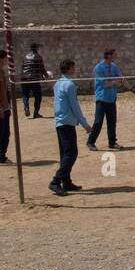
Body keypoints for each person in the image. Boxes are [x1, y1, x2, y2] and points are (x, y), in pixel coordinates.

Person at [50, 59, 91, 195]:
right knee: (71, 153)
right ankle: (56, 181)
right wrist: (85, 124)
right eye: (73, 67)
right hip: (66, 122)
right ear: (68, 68)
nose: (75, 69)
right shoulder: (69, 85)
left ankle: (66, 182)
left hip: (60, 121)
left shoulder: (58, 83)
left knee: (65, 154)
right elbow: (75, 107)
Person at [88, 48, 135, 151]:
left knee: (112, 122)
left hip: (111, 98)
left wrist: (131, 88)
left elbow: (121, 79)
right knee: (98, 122)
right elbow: (105, 84)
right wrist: (115, 81)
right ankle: (90, 142)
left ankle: (112, 142)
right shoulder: (98, 68)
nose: (116, 56)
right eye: (114, 54)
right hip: (102, 98)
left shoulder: (114, 66)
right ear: (109, 56)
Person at [20, 42, 50, 118]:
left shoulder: (25, 56)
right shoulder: (38, 56)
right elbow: (42, 68)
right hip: (34, 79)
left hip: (24, 78)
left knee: (25, 95)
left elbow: (23, 67)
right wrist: (46, 76)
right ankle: (36, 113)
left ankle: (26, 107)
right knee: (38, 96)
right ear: (36, 48)